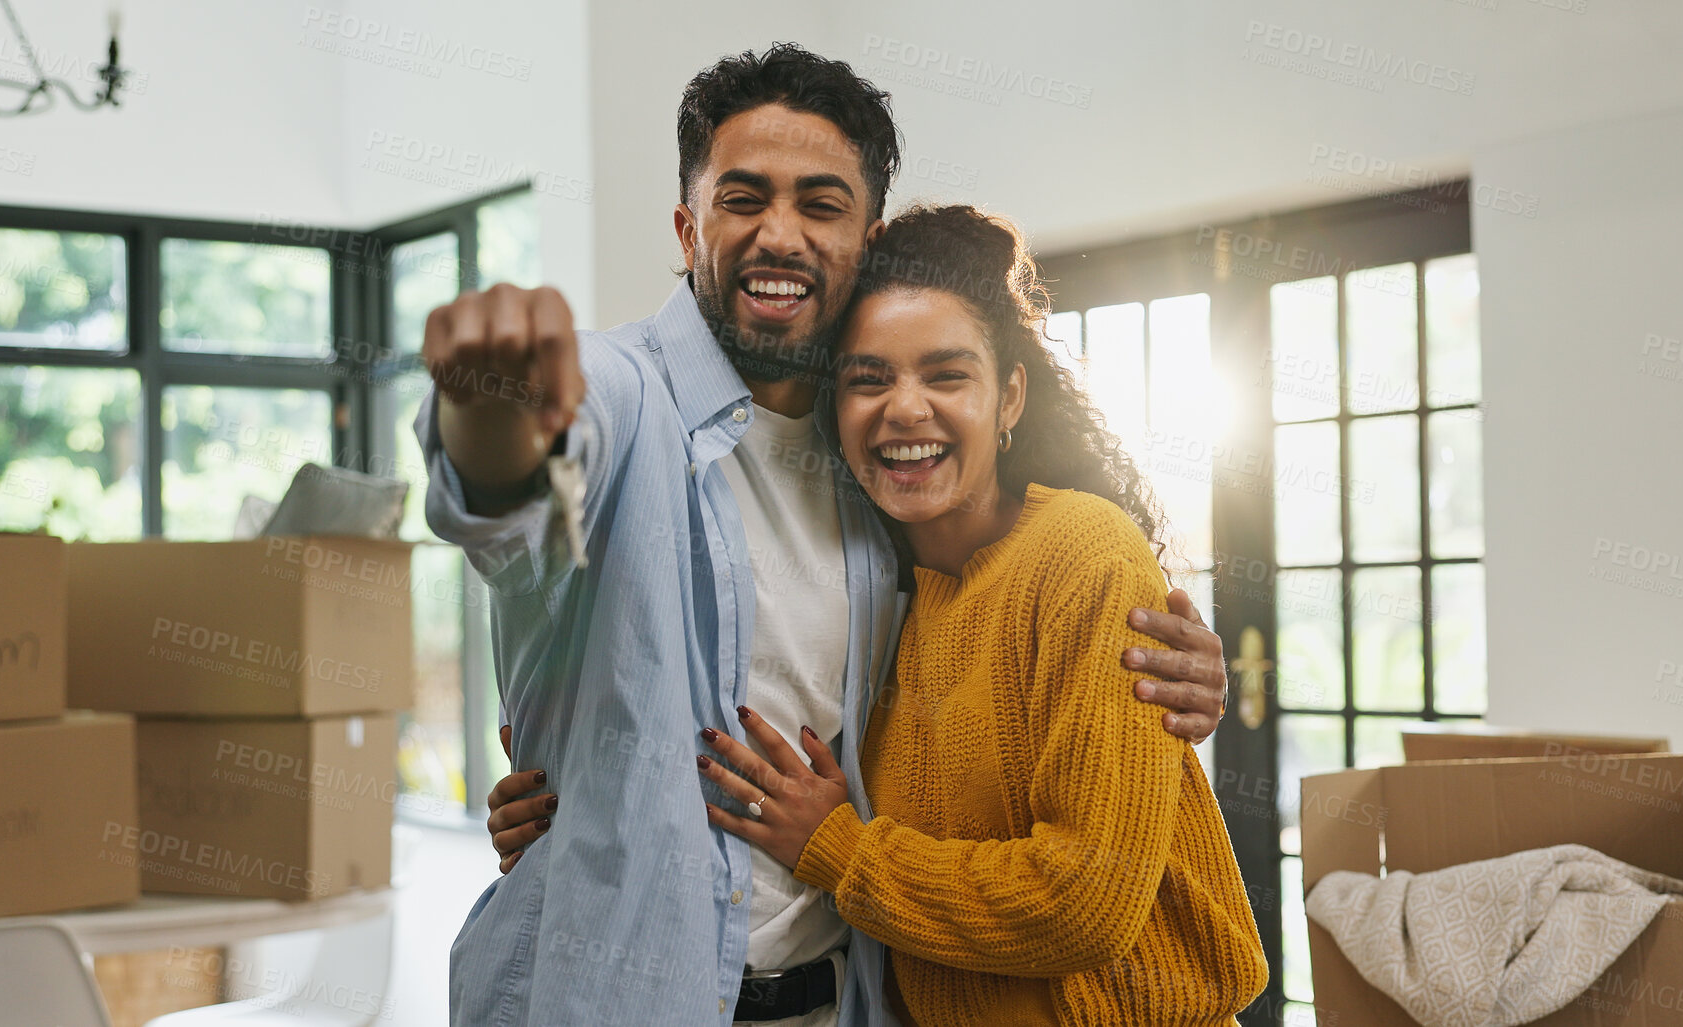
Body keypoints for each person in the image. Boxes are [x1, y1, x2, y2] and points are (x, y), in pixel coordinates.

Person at [425, 45, 1231, 1027]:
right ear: (688, 228)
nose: (779, 232)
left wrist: (1165, 686)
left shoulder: (885, 486)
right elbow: (510, 486)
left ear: (864, 239)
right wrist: (489, 407)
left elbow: (1016, 713)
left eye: (819, 202)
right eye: (742, 198)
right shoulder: (624, 393)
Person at [696, 204, 1268, 1026]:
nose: (904, 408)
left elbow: (1087, 899)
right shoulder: (878, 592)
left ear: (1008, 399)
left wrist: (841, 850)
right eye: (868, 378)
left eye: (945, 374)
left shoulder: (1084, 552)